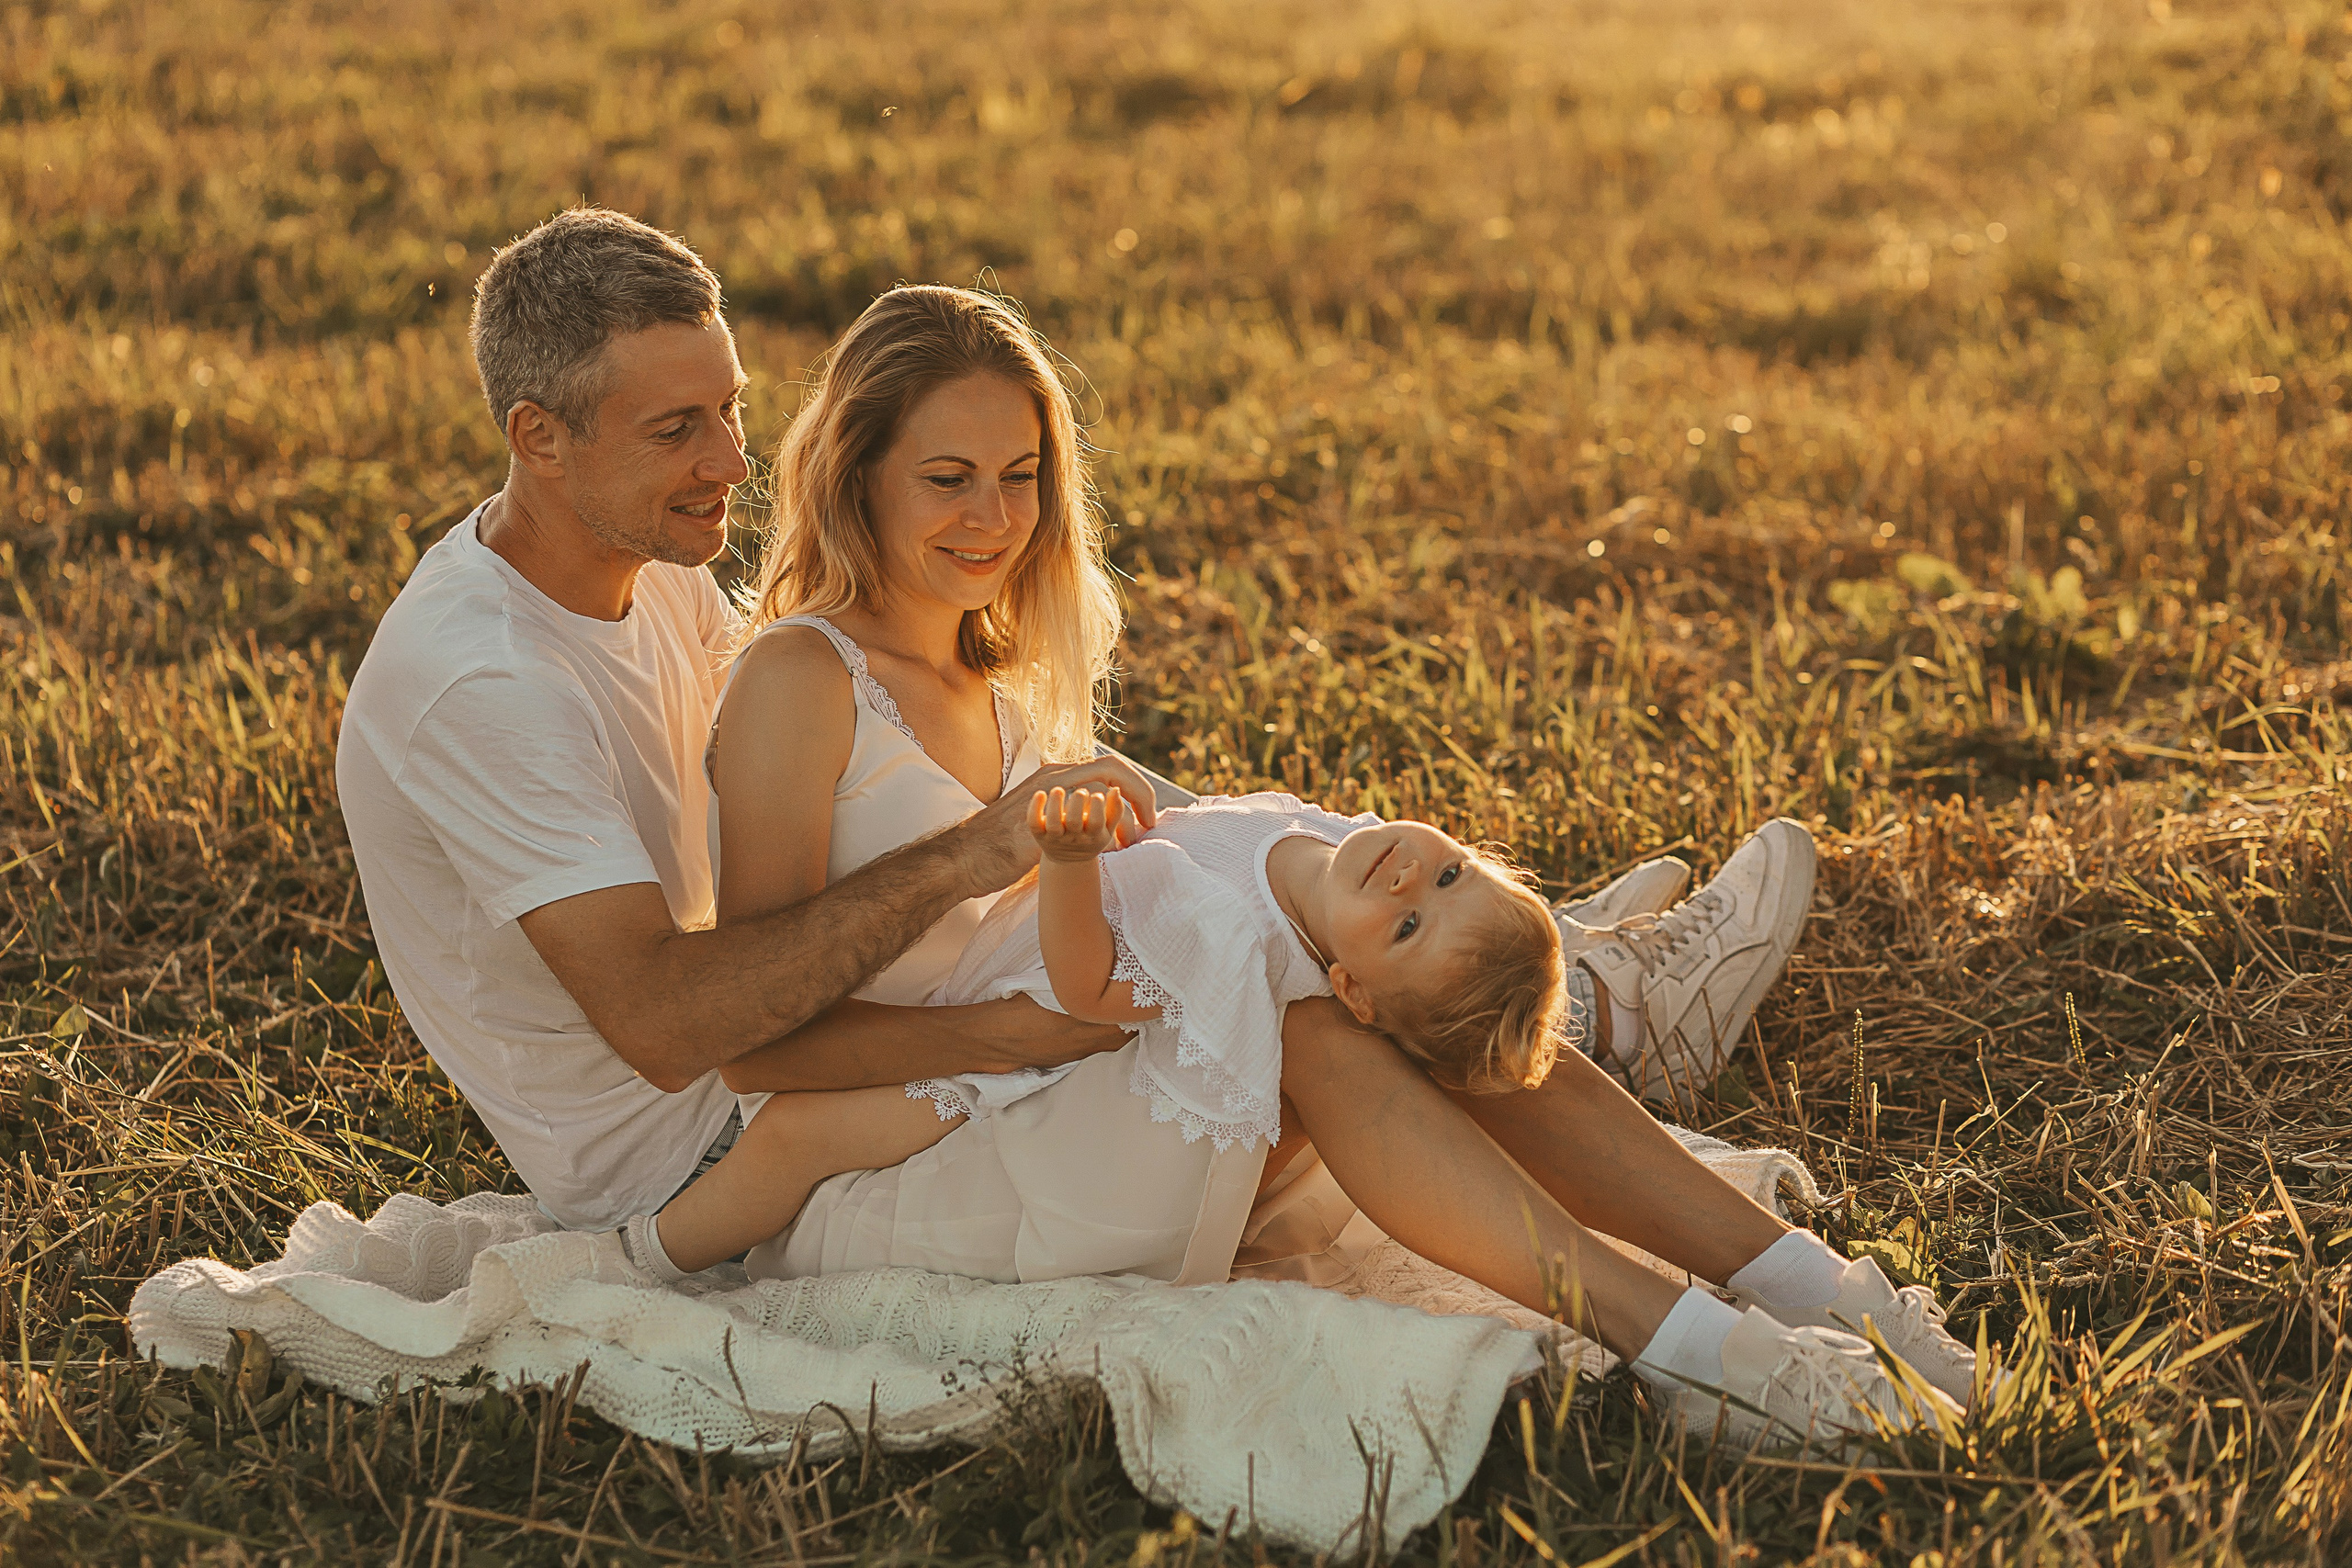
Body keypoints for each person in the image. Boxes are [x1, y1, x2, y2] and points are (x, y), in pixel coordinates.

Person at [334, 209, 1974, 1449]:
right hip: (728, 1153)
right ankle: (1696, 1334)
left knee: (1279, 939)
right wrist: (1014, 951)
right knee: (1311, 1022)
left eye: (732, 411)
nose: (727, 465)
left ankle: (1788, 1270)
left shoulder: (660, 572)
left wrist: (1170, 871)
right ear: (535, 438)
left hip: (919, 1056)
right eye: (675, 429)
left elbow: (918, 805)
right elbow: (689, 1022)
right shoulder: (485, 682)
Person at [642, 785, 1566, 1274]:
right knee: (796, 1122)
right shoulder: (1321, 847)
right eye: (1453, 880)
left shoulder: (1232, 950)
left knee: (797, 1135)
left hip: (1015, 1075)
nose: (1412, 884)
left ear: (1351, 994)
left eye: (1406, 931)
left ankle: (654, 1262)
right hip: (979, 983)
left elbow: (1085, 991)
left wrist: (1070, 864)